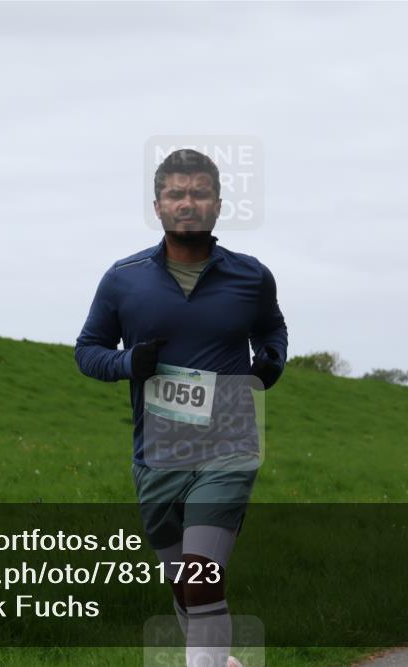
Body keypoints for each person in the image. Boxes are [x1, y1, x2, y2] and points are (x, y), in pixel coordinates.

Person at [75, 149, 287, 667]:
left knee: (200, 572)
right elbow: (87, 351)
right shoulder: (123, 279)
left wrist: (270, 364)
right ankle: (223, 661)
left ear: (218, 204)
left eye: (199, 192)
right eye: (176, 193)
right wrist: (128, 364)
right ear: (158, 205)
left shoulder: (251, 277)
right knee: (184, 584)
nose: (187, 202)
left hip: (229, 446)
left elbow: (272, 330)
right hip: (157, 455)